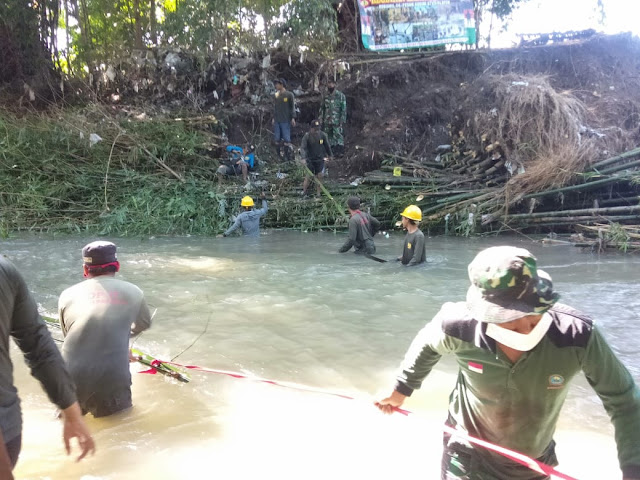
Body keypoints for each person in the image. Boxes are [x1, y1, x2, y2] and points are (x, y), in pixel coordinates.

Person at [375, 246, 640, 480]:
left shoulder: (577, 336)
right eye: (511, 322)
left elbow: (625, 401)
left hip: (534, 464)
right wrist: (401, 389)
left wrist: (633, 469)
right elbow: (427, 344)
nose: (525, 329)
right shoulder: (459, 326)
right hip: (467, 456)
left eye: (533, 317)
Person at [0, 255, 95, 470]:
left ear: (86, 269)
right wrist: (71, 413)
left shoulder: (68, 296)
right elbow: (38, 346)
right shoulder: (5, 270)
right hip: (7, 433)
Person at [59, 241, 152, 418]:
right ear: (117, 266)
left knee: (67, 426)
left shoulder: (67, 295)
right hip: (111, 378)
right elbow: (143, 324)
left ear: (85, 269)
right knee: (118, 429)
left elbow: (70, 335)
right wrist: (120, 347)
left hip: (69, 376)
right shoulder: (134, 291)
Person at [300, 120, 332, 197]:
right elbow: (303, 148)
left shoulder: (323, 135)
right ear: (311, 128)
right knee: (309, 176)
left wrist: (330, 155)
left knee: (320, 176)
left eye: (318, 129)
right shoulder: (307, 136)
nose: (316, 131)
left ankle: (318, 194)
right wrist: (303, 158)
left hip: (320, 159)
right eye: (315, 129)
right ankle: (304, 192)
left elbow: (327, 146)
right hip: (310, 159)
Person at [319, 78, 347, 156]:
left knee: (338, 135)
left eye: (331, 83)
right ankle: (330, 152)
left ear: (334, 84)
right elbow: (322, 108)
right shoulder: (326, 96)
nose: (329, 85)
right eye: (328, 83)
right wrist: (321, 118)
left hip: (336, 121)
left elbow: (343, 109)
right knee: (328, 136)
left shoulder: (340, 96)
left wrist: (342, 120)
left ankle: (340, 152)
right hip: (327, 120)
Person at [273, 78, 296, 161]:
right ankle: (278, 156)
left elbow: (292, 107)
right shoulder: (276, 95)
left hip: (286, 120)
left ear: (282, 84)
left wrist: (293, 117)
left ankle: (287, 156)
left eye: (277, 84)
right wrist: (274, 117)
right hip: (277, 120)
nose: (276, 86)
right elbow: (275, 107)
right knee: (277, 139)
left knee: (286, 139)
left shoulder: (289, 95)